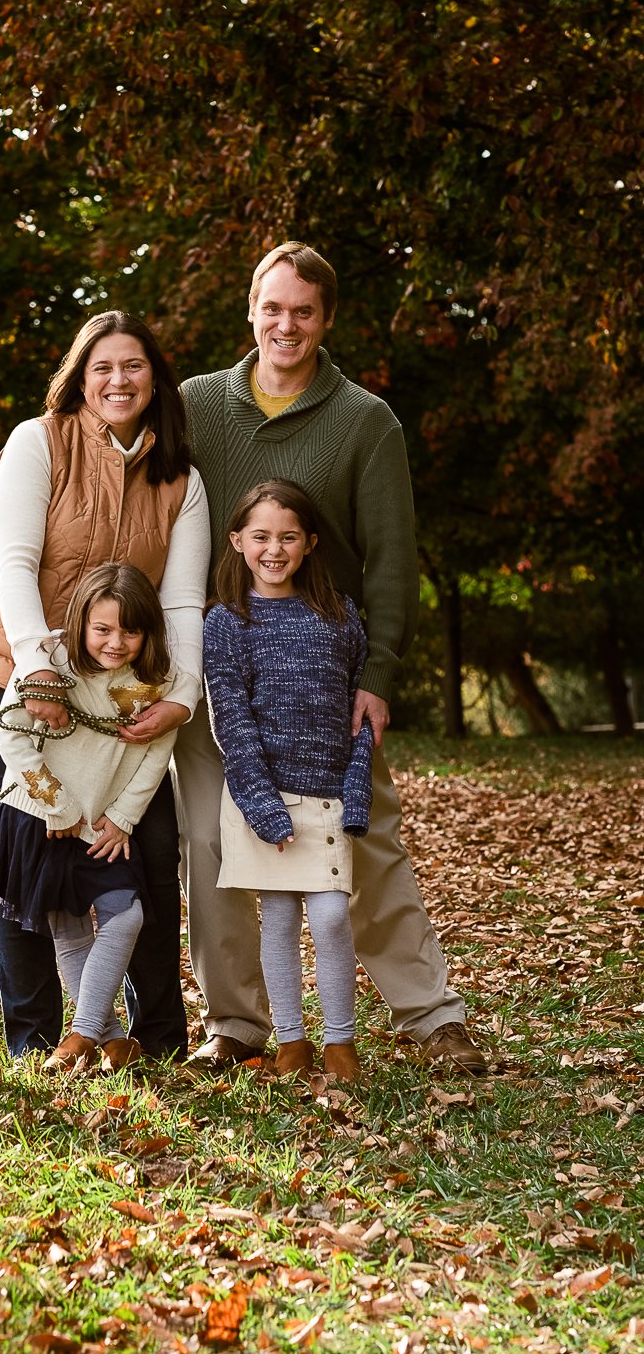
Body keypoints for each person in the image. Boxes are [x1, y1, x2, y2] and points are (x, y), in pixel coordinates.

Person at [175, 241, 487, 1075]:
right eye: (273, 308)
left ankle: (432, 1015)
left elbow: (391, 559)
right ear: (250, 310)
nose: (287, 325)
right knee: (214, 847)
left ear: (326, 320)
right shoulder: (196, 406)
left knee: (365, 839)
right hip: (225, 671)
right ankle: (236, 1025)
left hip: (326, 680)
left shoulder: (363, 420)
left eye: (304, 312)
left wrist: (377, 675)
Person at [0, 310, 210, 1058]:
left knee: (146, 845)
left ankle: (153, 1040)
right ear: (81, 378)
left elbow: (182, 602)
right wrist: (37, 671)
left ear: (156, 381)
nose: (119, 380)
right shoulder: (38, 441)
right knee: (30, 843)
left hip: (116, 682)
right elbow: (18, 563)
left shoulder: (180, 480)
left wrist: (179, 695)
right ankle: (35, 1041)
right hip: (3, 661)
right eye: (103, 368)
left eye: (134, 367)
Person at [0, 563, 179, 1073]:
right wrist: (58, 804)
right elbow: (9, 737)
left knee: (125, 914)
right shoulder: (51, 662)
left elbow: (156, 754)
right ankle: (110, 1038)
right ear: (82, 622)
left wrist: (124, 817)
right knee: (69, 932)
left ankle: (82, 1034)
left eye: (129, 631)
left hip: (103, 825)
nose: (115, 643)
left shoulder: (157, 680)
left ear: (148, 631)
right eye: (102, 629)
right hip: (37, 816)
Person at [203, 481, 372, 1082]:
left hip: (327, 796)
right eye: (261, 537)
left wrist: (356, 790)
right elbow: (231, 718)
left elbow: (358, 713)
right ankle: (292, 1041)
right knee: (276, 918)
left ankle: (340, 1042)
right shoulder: (226, 622)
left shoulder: (338, 614)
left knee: (329, 917)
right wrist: (261, 806)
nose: (274, 549)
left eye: (288, 537)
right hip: (261, 797)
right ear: (238, 542)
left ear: (309, 544)